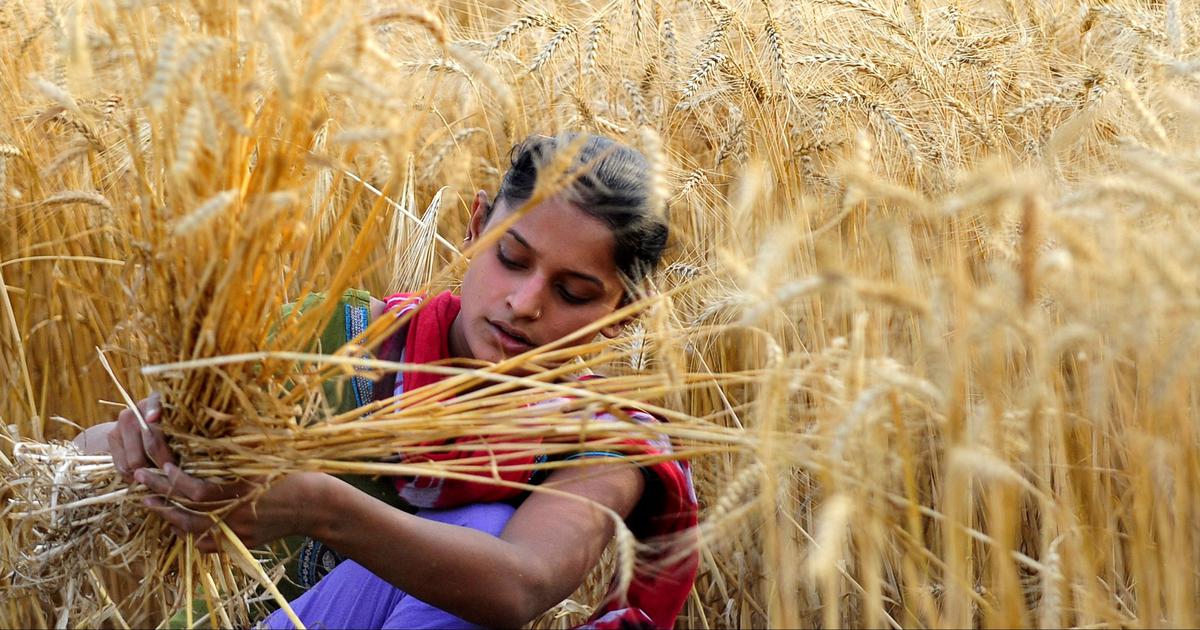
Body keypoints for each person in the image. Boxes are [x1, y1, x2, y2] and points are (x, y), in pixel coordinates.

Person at [74, 133, 699, 629]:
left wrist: (321, 506)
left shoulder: (603, 439)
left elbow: (520, 584)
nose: (524, 303)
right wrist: (149, 441)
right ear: (475, 226)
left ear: (626, 314)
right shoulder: (336, 340)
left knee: (482, 528)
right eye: (511, 258)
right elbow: (83, 452)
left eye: (573, 292)